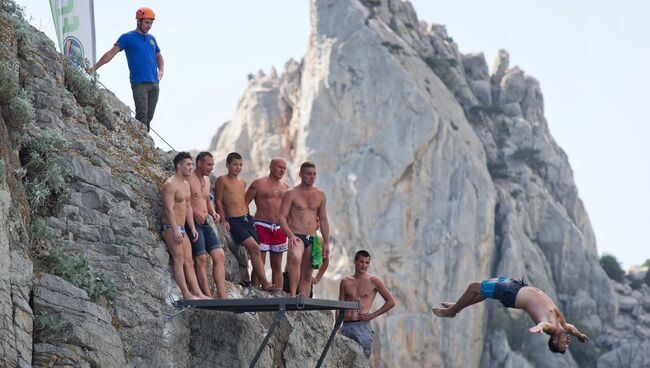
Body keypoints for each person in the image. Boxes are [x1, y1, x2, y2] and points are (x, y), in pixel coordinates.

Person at [431, 276, 590, 354]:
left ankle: (453, 311)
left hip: (512, 294)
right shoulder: (563, 325)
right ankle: (458, 305)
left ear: (554, 340)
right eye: (567, 343)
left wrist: (538, 328)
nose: (567, 340)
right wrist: (580, 335)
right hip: (518, 286)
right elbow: (572, 328)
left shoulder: (551, 328)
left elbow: (543, 324)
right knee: (484, 292)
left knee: (474, 287)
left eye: (564, 344)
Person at [87, 7, 164, 132]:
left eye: (151, 23)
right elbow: (110, 54)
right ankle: (142, 141)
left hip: (154, 83)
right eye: (146, 22)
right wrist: (94, 67)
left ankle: (144, 140)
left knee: (149, 117)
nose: (149, 26)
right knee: (142, 115)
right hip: (139, 83)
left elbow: (159, 56)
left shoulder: (151, 39)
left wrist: (161, 70)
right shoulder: (127, 37)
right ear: (138, 21)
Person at [215, 152, 276, 292]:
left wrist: (250, 217)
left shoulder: (242, 183)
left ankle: (256, 284)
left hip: (247, 219)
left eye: (240, 165)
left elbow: (243, 202)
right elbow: (218, 201)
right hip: (235, 221)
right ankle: (265, 282)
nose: (238, 167)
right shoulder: (222, 180)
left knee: (258, 250)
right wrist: (224, 219)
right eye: (235, 164)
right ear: (227, 165)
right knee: (254, 248)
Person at [160, 152, 209, 300]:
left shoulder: (186, 184)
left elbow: (188, 208)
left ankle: (198, 293)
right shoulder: (170, 184)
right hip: (170, 227)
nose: (191, 167)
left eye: (191, 164)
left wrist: (192, 228)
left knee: (189, 260)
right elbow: (168, 210)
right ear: (179, 166)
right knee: (179, 260)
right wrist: (175, 230)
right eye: (188, 164)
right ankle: (186, 294)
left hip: (182, 228)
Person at [278, 161, 330, 297]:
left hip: (312, 237)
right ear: (301, 174)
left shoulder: (320, 195)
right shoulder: (291, 193)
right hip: (297, 235)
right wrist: (290, 235)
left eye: (314, 174)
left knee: (307, 275)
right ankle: (293, 295)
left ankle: (303, 304)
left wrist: (327, 242)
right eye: (308, 174)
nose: (312, 177)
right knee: (295, 258)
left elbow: (323, 220)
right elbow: (281, 218)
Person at [337, 250, 395, 358]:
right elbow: (339, 305)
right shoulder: (345, 281)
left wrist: (372, 315)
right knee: (340, 359)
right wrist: (337, 326)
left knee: (361, 360)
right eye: (361, 262)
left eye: (367, 262)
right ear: (355, 261)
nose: (364, 265)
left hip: (362, 327)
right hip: (345, 326)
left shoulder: (374, 281)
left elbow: (391, 302)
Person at [186, 152, 227, 299]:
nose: (211, 168)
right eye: (209, 164)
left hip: (206, 222)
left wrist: (213, 212)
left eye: (213, 165)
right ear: (199, 163)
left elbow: (207, 200)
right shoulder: (188, 179)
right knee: (201, 258)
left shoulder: (207, 180)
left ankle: (222, 295)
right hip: (193, 223)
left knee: (219, 255)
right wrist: (193, 212)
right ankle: (207, 295)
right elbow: (183, 201)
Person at [245, 158, 289, 290]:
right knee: (260, 261)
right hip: (261, 225)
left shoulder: (285, 187)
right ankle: (255, 288)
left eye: (284, 168)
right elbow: (244, 203)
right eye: (279, 167)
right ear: (271, 167)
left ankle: (279, 294)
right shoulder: (259, 183)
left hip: (279, 228)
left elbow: (288, 209)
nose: (282, 170)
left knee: (277, 265)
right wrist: (249, 219)